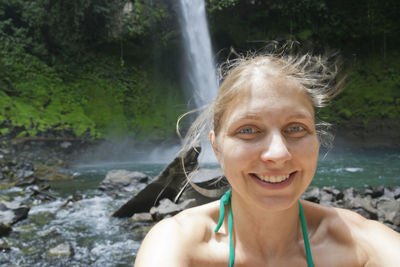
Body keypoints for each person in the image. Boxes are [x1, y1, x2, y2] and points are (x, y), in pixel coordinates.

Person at [134, 52, 400, 266]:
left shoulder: (363, 244)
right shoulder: (175, 244)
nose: (278, 154)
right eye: (248, 130)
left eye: (296, 128)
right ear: (216, 147)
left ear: (317, 140)